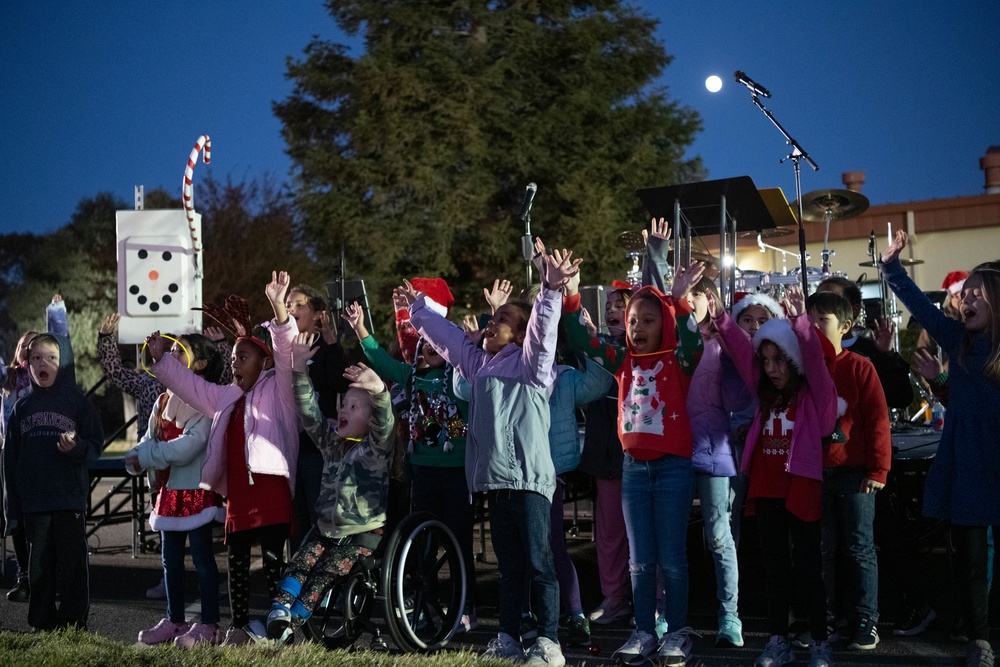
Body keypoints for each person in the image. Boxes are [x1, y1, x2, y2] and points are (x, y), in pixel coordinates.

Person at [400, 244, 580, 667]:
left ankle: (549, 642)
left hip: (531, 483)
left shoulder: (532, 367)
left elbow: (542, 334)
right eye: (492, 318)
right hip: (496, 483)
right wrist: (418, 311)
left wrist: (550, 292)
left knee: (540, 563)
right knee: (510, 567)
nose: (491, 321)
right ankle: (508, 637)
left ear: (519, 334)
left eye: (503, 319)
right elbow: (446, 339)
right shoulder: (477, 366)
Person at [561, 220, 705, 667]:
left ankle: (677, 631)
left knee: (672, 559)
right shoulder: (622, 358)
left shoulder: (677, 359)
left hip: (673, 467)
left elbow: (695, 343)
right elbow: (579, 337)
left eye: (647, 320)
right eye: (632, 321)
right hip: (633, 470)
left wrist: (679, 300)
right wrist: (570, 294)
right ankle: (644, 633)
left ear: (662, 325)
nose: (638, 327)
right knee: (641, 561)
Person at [145, 271, 300, 646]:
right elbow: (193, 386)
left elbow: (286, 351)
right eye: (232, 358)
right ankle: (241, 627)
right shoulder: (226, 396)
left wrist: (280, 309)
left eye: (242, 357)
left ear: (264, 363)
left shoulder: (279, 389)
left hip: (272, 493)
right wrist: (163, 361)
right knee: (239, 565)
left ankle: (283, 627)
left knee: (276, 563)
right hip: (239, 499)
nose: (234, 363)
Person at [880, 232, 1000, 667]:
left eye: (976, 294)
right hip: (968, 464)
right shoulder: (958, 341)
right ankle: (979, 641)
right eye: (963, 294)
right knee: (970, 561)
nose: (965, 300)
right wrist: (892, 267)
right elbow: (923, 309)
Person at [341, 278, 480, 632]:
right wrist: (360, 331)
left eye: (438, 344)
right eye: (425, 344)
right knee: (423, 546)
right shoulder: (411, 377)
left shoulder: (460, 379)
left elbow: (465, 356)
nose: (432, 347)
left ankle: (466, 606)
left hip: (457, 473)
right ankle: (424, 604)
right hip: (422, 472)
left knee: (460, 541)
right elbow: (382, 362)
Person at [709, 287, 838, 667]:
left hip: (801, 488)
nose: (770, 368)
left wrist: (800, 323)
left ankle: (818, 641)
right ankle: (777, 640)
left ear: (793, 360)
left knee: (808, 570)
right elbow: (742, 351)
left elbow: (814, 360)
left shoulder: (813, 394)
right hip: (766, 491)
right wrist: (720, 319)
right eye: (766, 360)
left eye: (779, 360)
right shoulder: (763, 391)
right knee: (776, 569)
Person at [266, 337, 393, 643]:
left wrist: (379, 392)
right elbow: (310, 415)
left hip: (361, 534)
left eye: (354, 406)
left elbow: (384, 424)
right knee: (300, 561)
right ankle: (278, 611)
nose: (345, 410)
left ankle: (293, 622)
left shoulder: (375, 451)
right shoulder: (332, 444)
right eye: (343, 404)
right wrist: (298, 371)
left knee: (325, 572)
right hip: (326, 531)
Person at [805, 290, 891, 652]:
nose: (813, 327)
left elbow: (877, 420)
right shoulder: (803, 366)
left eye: (822, 321)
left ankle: (864, 619)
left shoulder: (859, 366)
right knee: (822, 549)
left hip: (855, 475)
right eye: (808, 321)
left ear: (845, 326)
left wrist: (878, 469)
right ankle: (825, 617)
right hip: (814, 475)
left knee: (859, 548)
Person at [127, 333, 226, 647]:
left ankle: (209, 623)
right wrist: (137, 455)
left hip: (195, 494)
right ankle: (174, 620)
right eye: (169, 350)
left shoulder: (204, 399)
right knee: (169, 560)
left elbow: (189, 447)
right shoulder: (163, 398)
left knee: (202, 560)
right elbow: (150, 436)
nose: (170, 354)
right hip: (167, 493)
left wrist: (148, 456)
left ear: (200, 364)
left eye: (178, 351)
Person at [2, 333, 104, 631]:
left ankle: (74, 621)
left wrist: (78, 449)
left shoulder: (76, 403)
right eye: (36, 358)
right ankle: (42, 622)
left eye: (51, 358)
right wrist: (12, 511)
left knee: (73, 563)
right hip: (35, 501)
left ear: (63, 363)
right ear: (27, 364)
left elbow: (95, 444)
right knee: (40, 567)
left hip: (68, 498)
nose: (42, 363)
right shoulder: (22, 408)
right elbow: (10, 462)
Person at [685, 277, 755, 649]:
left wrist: (727, 333)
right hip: (670, 448)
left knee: (719, 534)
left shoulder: (721, 342)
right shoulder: (670, 338)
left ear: (708, 299)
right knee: (666, 539)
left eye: (691, 294)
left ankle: (730, 614)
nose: (684, 300)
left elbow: (741, 391)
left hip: (712, 447)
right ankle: (665, 614)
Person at [576, 288, 633, 627]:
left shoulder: (644, 348)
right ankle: (614, 599)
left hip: (639, 454)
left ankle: (654, 603)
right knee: (610, 533)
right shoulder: (597, 350)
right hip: (605, 454)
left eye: (620, 305)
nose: (612, 310)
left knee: (645, 534)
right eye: (609, 305)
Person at [283, 284, 352, 551]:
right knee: (295, 517)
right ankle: (295, 578)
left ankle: (317, 574)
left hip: (316, 447)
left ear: (317, 314)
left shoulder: (325, 346)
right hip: (288, 443)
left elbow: (340, 382)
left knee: (315, 512)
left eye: (299, 305)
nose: (291, 309)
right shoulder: (283, 346)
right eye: (288, 304)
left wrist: (332, 343)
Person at [816, 276, 913, 410]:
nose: (823, 308)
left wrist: (886, 355)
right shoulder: (808, 351)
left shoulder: (870, 350)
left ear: (854, 310)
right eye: (819, 300)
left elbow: (901, 399)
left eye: (833, 301)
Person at [1, 330, 39, 603]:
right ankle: (23, 578)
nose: (26, 349)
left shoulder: (43, 378)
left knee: (38, 518)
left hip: (37, 454)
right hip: (10, 454)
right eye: (24, 344)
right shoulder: (8, 377)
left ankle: (43, 577)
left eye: (33, 346)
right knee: (15, 517)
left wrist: (57, 313)